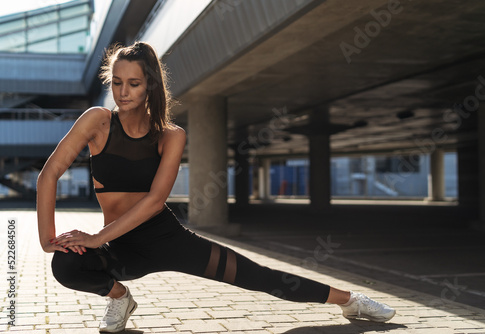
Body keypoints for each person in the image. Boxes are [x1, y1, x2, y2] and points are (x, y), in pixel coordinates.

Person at [37, 41, 395, 333]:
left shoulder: (170, 136)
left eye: (134, 83)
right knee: (66, 266)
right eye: (117, 82)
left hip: (166, 239)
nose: (123, 91)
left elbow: (155, 199)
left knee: (260, 277)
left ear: (150, 86)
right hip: (119, 246)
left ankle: (351, 301)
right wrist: (46, 239)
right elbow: (49, 174)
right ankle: (119, 298)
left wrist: (97, 237)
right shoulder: (97, 122)